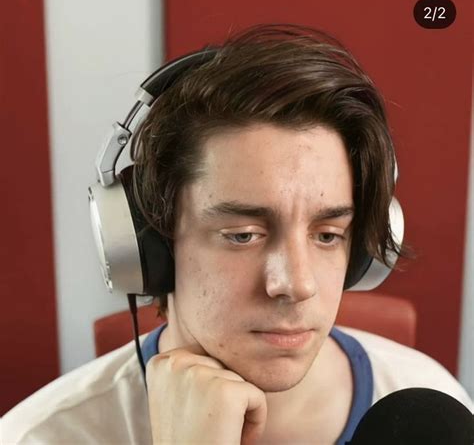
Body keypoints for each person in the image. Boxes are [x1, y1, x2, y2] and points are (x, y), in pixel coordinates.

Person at [3, 24, 472, 445]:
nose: (296, 284)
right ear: (151, 244)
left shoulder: (429, 407)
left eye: (328, 235)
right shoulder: (41, 437)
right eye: (243, 235)